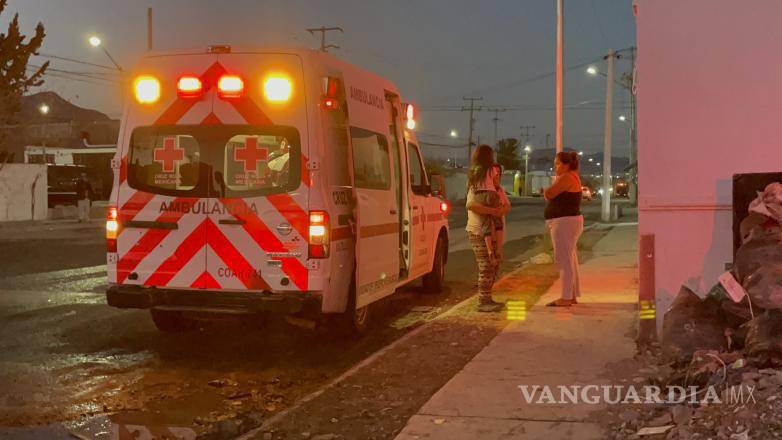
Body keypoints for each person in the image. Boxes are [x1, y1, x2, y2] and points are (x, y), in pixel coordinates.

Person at [466, 144, 509, 312]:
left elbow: (506, 206)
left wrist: (498, 211)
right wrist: (493, 211)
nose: (497, 175)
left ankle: (487, 298)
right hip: (477, 230)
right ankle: (483, 301)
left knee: (494, 265)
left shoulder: (475, 175)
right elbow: (470, 204)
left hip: (490, 229)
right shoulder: (479, 183)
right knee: (486, 266)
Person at [543, 151, 584, 307]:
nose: (555, 167)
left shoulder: (567, 177)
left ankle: (566, 297)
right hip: (568, 221)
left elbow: (549, 193)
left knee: (564, 260)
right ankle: (571, 294)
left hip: (564, 222)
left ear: (566, 165)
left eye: (558, 164)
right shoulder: (572, 177)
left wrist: (550, 188)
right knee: (569, 259)